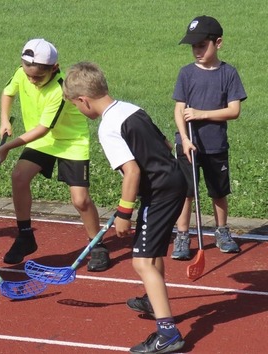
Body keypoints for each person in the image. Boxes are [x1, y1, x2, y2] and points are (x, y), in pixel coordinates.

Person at [63, 61, 187, 353]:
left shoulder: (108, 127)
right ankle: (152, 299)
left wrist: (123, 212)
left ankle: (168, 333)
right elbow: (166, 144)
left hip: (159, 191)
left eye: (76, 106)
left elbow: (131, 171)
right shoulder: (131, 108)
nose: (79, 110)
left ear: (84, 100)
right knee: (151, 249)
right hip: (173, 180)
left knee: (141, 261)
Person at [0, 38, 108, 271]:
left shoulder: (60, 88)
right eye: (29, 75)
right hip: (43, 142)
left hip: (70, 141)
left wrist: (7, 146)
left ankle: (97, 245)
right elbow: (8, 93)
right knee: (19, 177)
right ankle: (25, 236)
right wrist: (5, 119)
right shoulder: (21, 73)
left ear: (54, 68)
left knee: (80, 200)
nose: (32, 81)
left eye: (38, 77)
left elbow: (43, 128)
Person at [171, 15, 246, 260]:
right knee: (186, 191)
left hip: (215, 144)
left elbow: (233, 110)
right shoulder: (186, 74)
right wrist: (183, 138)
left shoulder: (229, 73)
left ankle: (222, 231)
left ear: (218, 43)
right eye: (194, 46)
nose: (197, 51)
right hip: (188, 143)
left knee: (218, 191)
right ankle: (182, 235)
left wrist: (203, 114)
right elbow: (179, 109)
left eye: (202, 45)